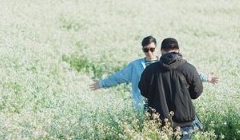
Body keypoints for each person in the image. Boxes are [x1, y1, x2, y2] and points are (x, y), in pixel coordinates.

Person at [90, 36, 218, 110]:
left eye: (152, 49)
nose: (149, 52)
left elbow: (188, 72)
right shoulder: (135, 66)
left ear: (157, 49)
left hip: (164, 106)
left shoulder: (167, 64)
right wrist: (101, 84)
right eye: (146, 50)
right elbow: (119, 77)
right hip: (142, 108)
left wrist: (207, 77)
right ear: (143, 50)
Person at [138, 37, 203, 140]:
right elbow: (197, 92)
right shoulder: (189, 68)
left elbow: (143, 91)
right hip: (185, 122)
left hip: (158, 122)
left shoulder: (150, 70)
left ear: (162, 51)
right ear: (178, 50)